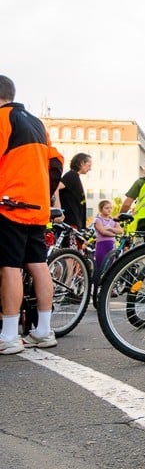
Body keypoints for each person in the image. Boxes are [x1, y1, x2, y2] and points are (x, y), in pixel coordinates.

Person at [0, 75, 63, 354]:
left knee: (9, 267)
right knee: (38, 264)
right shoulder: (37, 123)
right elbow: (56, 162)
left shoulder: (3, 119)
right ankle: (43, 330)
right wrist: (44, 195)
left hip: (9, 204)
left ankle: (10, 335)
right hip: (38, 207)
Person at [57, 152, 92, 230]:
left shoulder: (75, 177)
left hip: (76, 223)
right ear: (82, 163)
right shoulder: (71, 176)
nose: (90, 169)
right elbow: (56, 188)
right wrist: (59, 210)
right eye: (89, 165)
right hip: (70, 223)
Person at [92, 199, 123, 275]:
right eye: (106, 208)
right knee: (100, 264)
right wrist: (114, 234)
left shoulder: (113, 220)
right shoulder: (98, 220)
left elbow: (120, 231)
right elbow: (103, 232)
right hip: (101, 245)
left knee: (110, 265)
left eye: (110, 208)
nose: (109, 210)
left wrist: (110, 229)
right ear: (101, 209)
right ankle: (97, 282)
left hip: (111, 244)